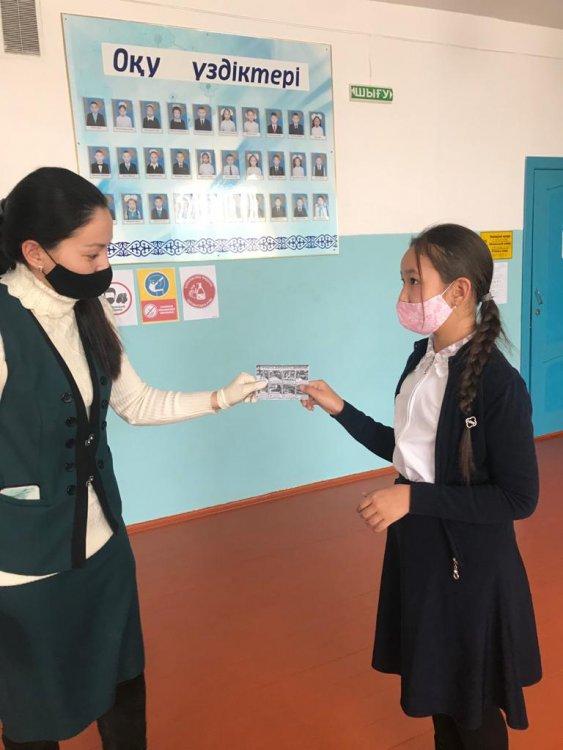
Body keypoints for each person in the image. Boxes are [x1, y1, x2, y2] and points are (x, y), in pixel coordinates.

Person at [0, 167, 267, 749]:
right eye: (92, 254)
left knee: (124, 690)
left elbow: (137, 403)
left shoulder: (89, 307)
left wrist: (221, 397)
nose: (105, 267)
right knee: (34, 712)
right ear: (36, 253)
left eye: (108, 250)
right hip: (22, 564)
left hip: (104, 544)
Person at [300, 224, 541, 750]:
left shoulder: (500, 385)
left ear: (459, 291)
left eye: (414, 281)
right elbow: (408, 452)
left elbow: (518, 498)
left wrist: (412, 498)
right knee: (438, 690)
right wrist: (339, 408)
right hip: (421, 548)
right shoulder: (421, 361)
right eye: (403, 280)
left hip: (470, 564)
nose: (404, 294)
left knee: (472, 703)